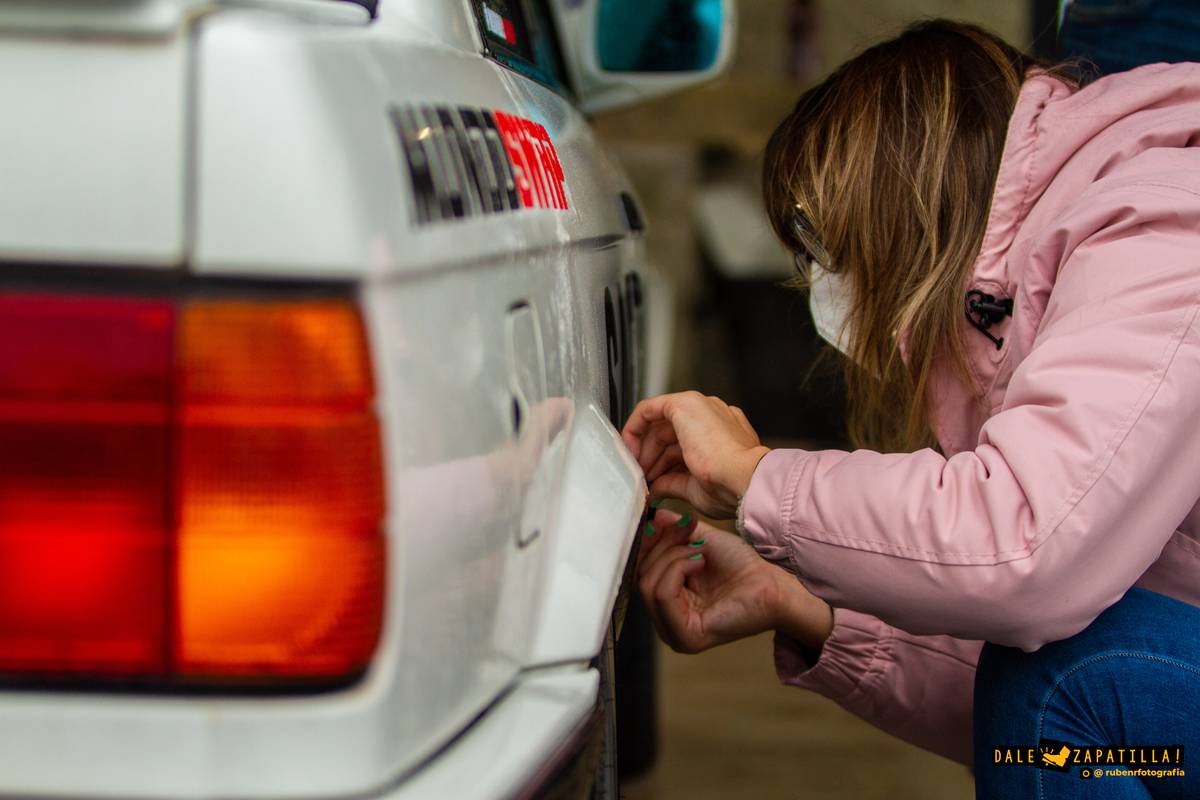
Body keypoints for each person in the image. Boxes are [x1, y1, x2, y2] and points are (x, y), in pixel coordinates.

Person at [623, 20, 1200, 800]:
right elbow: (1026, 721)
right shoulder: (1033, 289)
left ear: (902, 205)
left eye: (830, 243)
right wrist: (805, 606)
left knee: (1069, 682)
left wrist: (758, 480)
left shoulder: (1158, 222)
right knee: (1051, 725)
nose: (825, 282)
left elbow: (1025, 555)